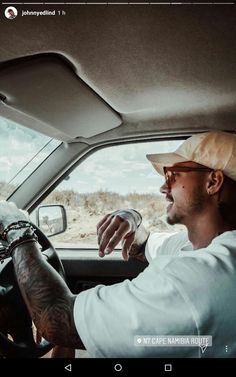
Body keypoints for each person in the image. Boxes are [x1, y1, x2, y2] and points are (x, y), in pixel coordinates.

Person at [1, 130, 236, 358]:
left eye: (172, 175)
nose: (163, 188)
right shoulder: (202, 247)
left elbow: (55, 321)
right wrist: (132, 218)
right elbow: (144, 245)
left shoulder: (196, 277)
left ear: (213, 181)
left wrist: (17, 228)